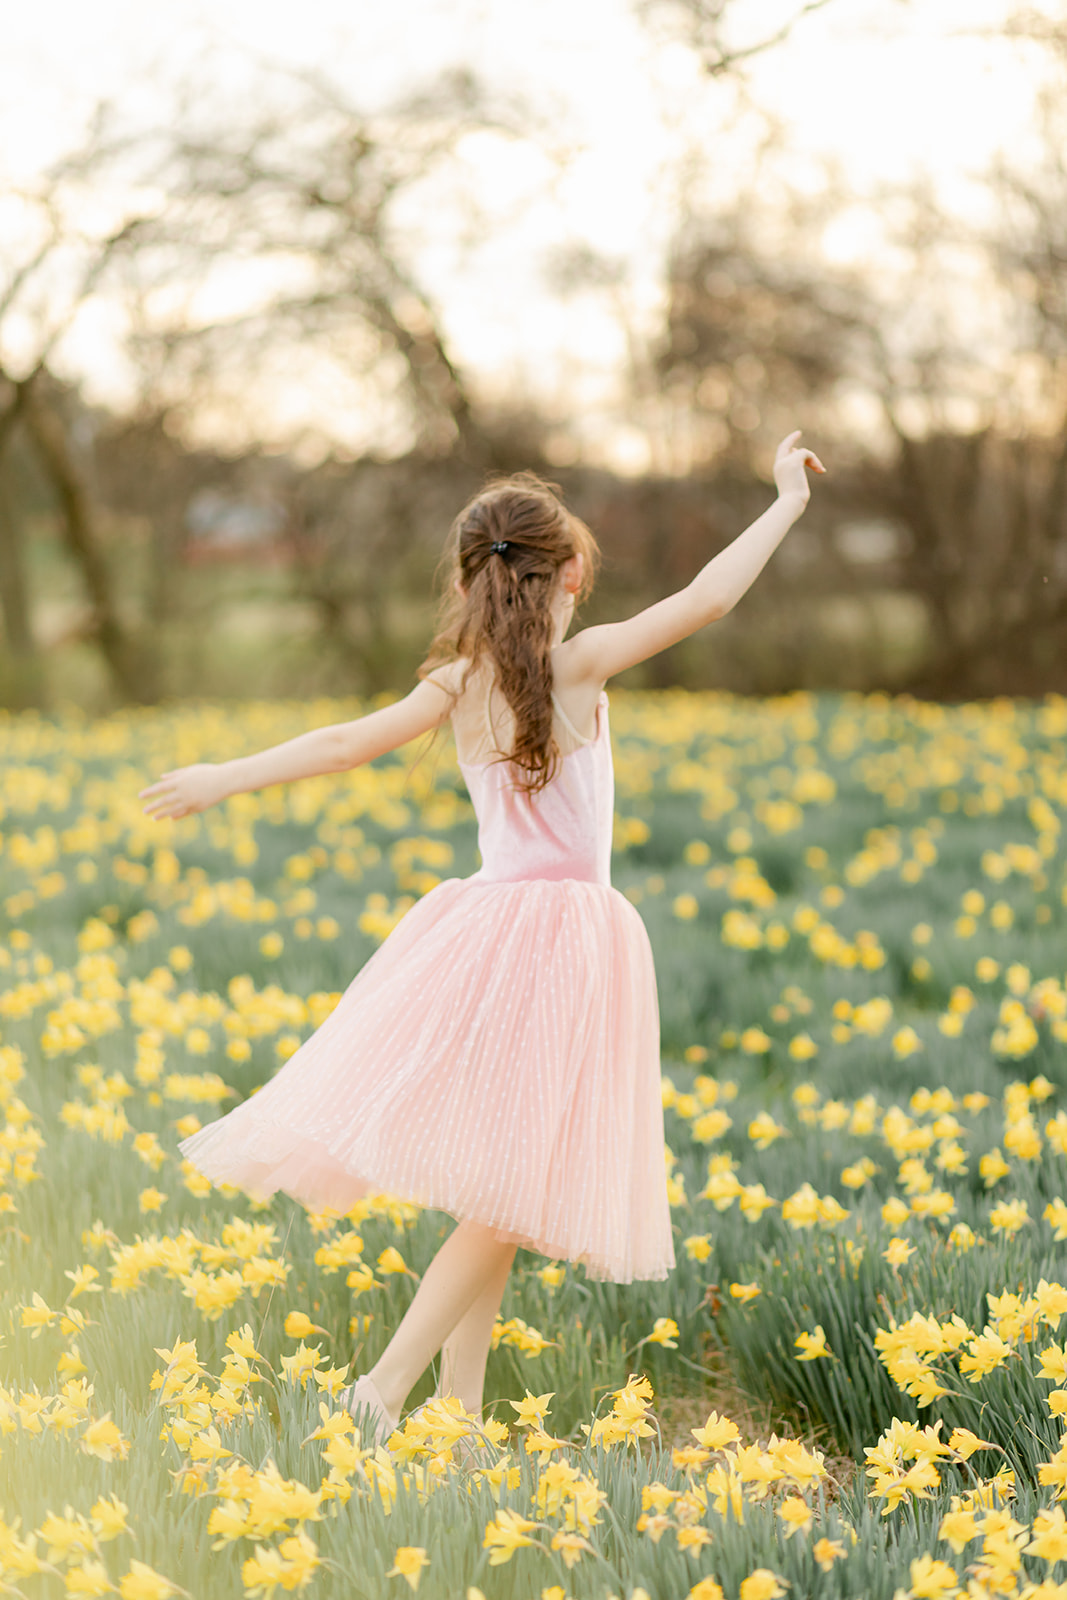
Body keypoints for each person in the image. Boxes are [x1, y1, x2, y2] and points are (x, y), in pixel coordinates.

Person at [139, 430, 826, 1458]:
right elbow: (706, 599)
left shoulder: (459, 683)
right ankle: (380, 1390)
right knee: (504, 1195)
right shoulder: (580, 664)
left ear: (469, 582)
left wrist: (221, 776)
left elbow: (339, 745)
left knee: (494, 1193)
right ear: (574, 572)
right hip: (563, 947)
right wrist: (783, 502)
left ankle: (456, 1423)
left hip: (485, 933)